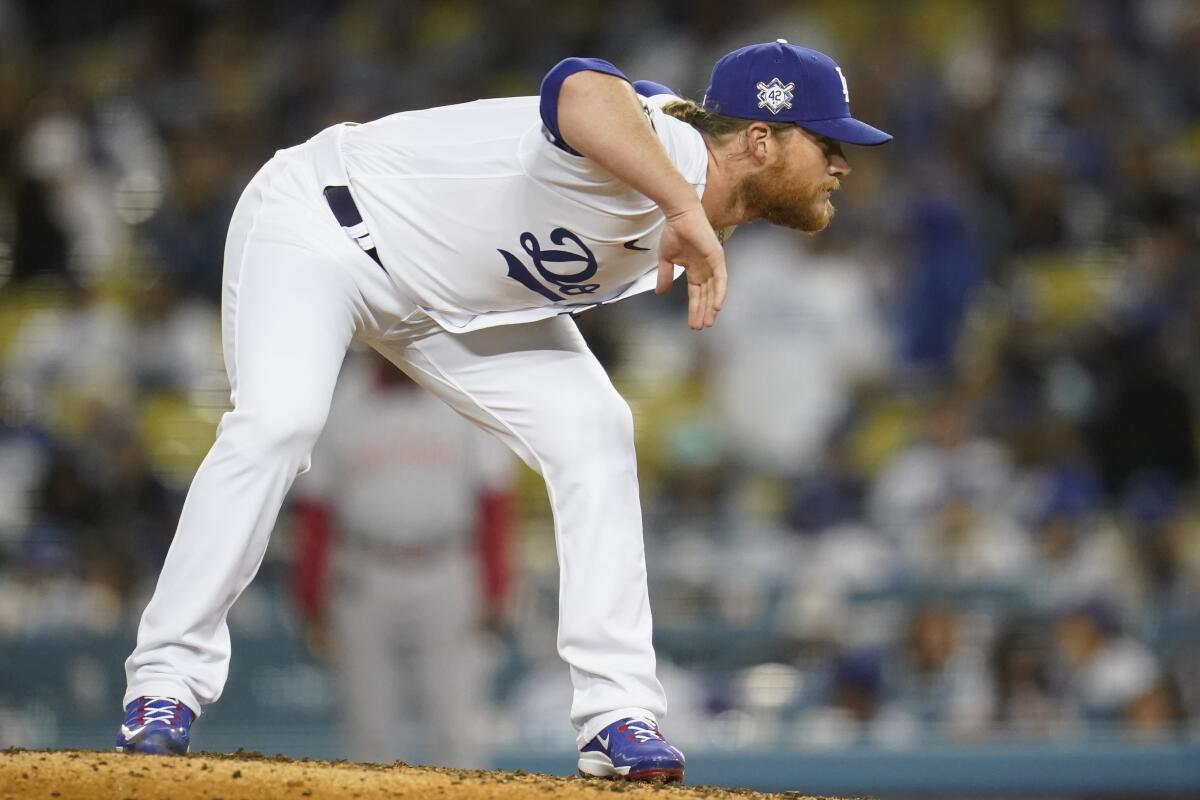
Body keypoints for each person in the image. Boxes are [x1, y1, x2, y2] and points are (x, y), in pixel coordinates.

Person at [115, 40, 890, 783]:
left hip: (444, 306)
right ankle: (165, 681)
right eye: (826, 143)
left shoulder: (683, 166)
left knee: (596, 430)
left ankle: (619, 715)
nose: (842, 163)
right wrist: (679, 204)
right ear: (760, 140)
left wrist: (682, 211)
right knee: (277, 424)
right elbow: (580, 85)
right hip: (321, 228)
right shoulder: (680, 158)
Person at [289, 351, 516, 767]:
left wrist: (498, 584)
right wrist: (310, 597)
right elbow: (316, 510)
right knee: (368, 730)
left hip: (446, 569)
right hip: (363, 573)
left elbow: (493, 499)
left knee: (455, 727)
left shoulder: (460, 393)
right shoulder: (340, 402)